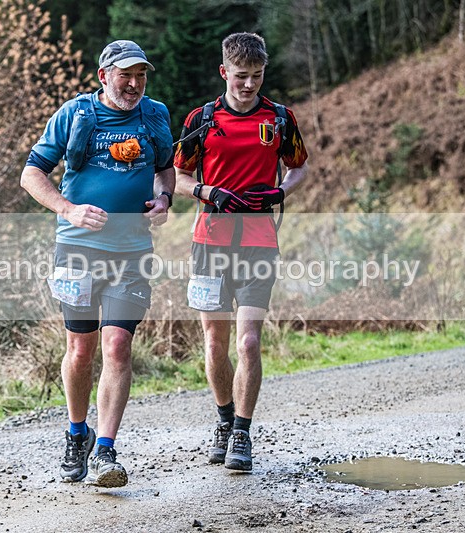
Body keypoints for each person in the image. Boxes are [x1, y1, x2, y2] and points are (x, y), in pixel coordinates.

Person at [21, 40, 175, 488]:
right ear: (103, 76)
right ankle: (77, 433)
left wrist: (164, 199)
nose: (134, 84)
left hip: (132, 251)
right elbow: (32, 173)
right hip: (78, 250)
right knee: (80, 350)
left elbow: (165, 168)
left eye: (141, 76)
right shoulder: (76, 114)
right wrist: (68, 209)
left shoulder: (155, 115)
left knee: (117, 346)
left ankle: (105, 450)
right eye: (125, 75)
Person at [173, 32, 308, 472]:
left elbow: (299, 167)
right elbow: (176, 177)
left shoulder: (280, 119)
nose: (249, 84)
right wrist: (207, 191)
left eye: (257, 75)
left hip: (259, 243)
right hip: (209, 242)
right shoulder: (202, 119)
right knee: (215, 344)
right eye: (241, 76)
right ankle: (224, 421)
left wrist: (280, 191)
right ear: (224, 72)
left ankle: (243, 434)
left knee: (248, 342)